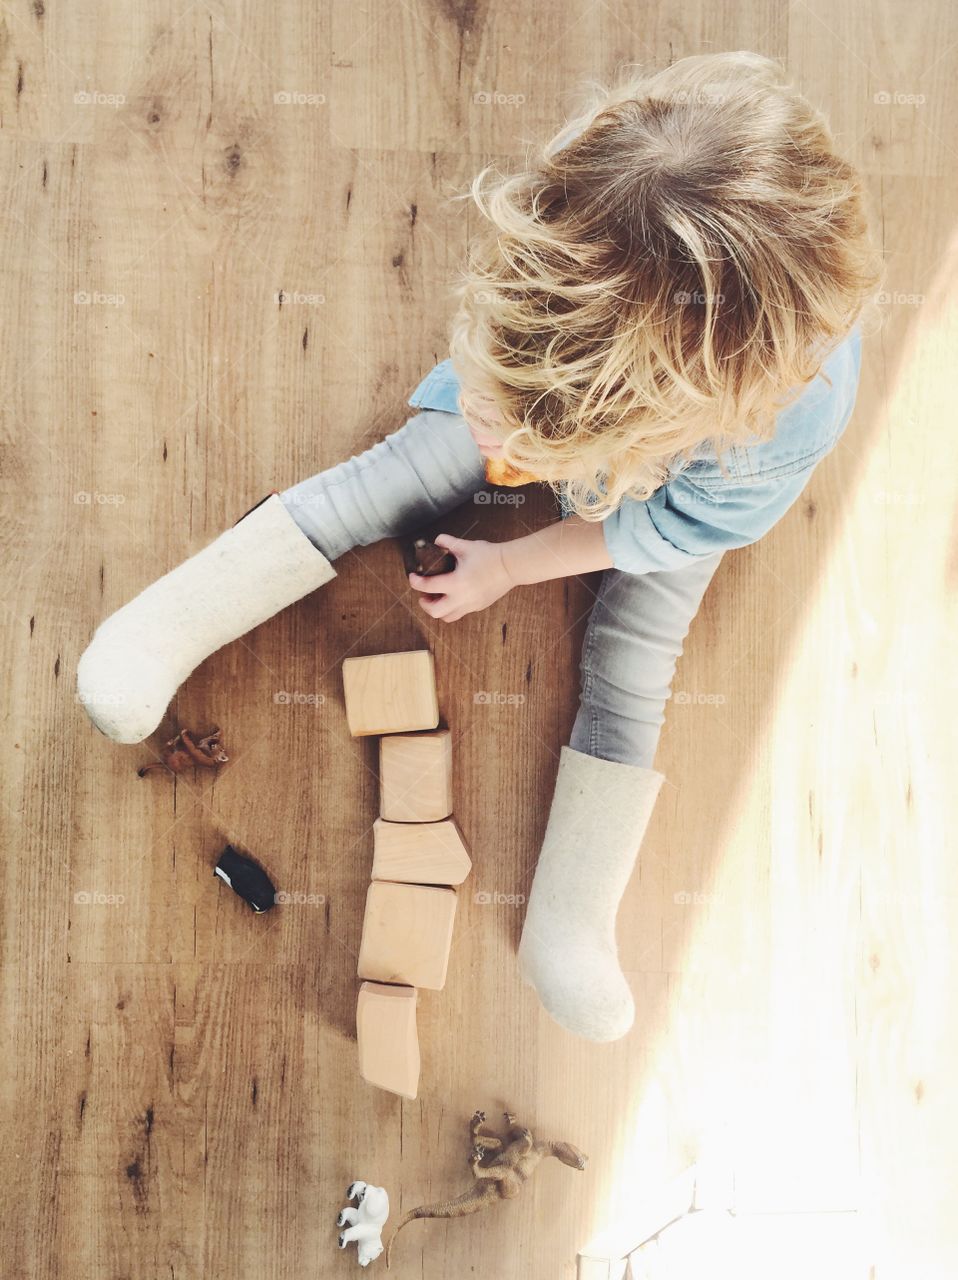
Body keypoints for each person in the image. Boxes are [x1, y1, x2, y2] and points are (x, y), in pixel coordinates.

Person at [77, 52, 882, 1042]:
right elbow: (509, 374)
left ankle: (570, 921)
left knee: (635, 657)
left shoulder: (765, 436)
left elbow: (647, 527)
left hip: (667, 501)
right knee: (399, 467)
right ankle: (167, 619)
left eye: (526, 442)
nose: (501, 452)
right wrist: (497, 401)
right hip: (580, 378)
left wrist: (511, 561)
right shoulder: (575, 261)